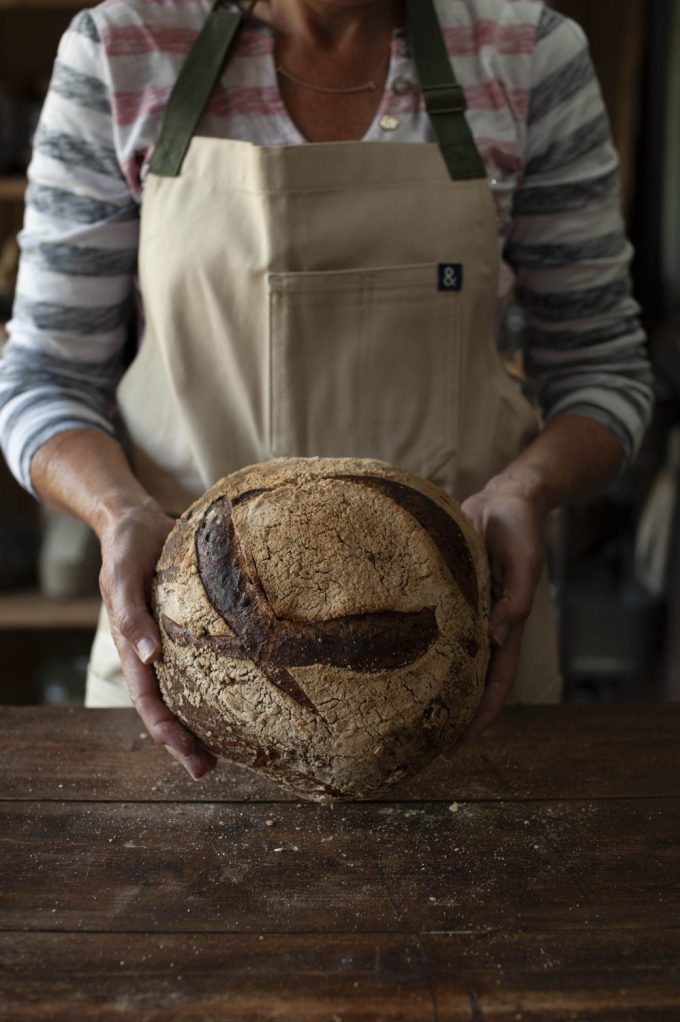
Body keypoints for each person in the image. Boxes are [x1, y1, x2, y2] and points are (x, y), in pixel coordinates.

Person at [0, 0, 653, 780]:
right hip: (188, 684)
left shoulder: (523, 51)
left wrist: (528, 488)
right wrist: (119, 511)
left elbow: (603, 370)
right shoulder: (124, 49)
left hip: (462, 681)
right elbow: (45, 378)